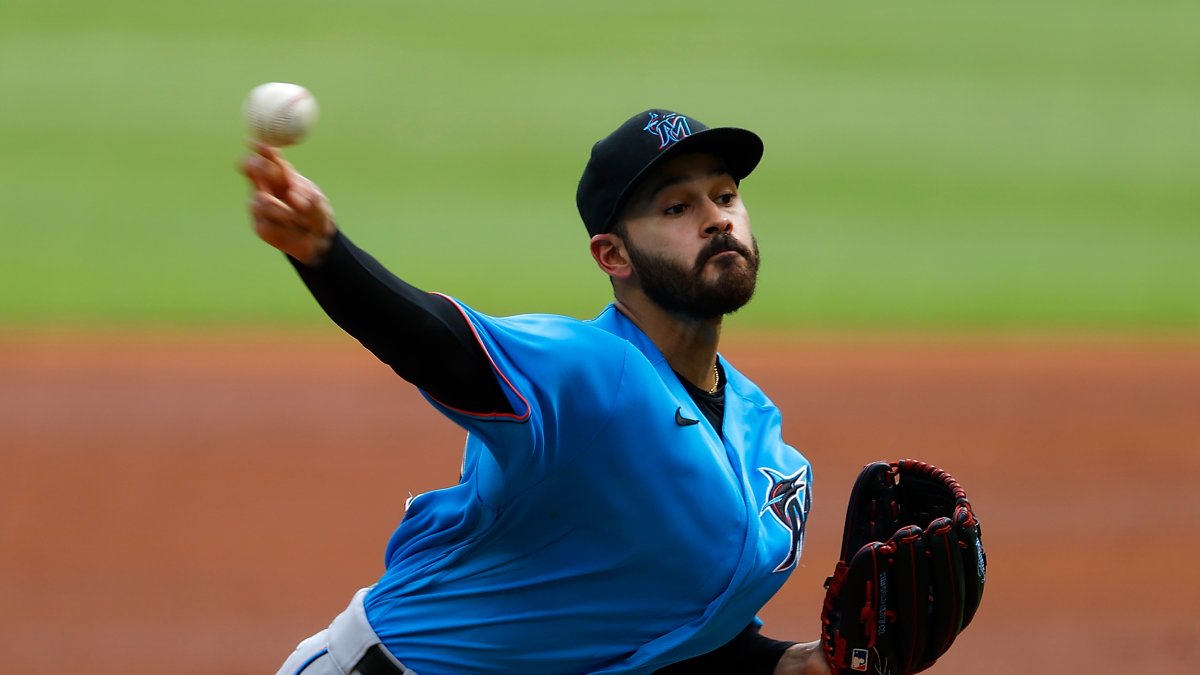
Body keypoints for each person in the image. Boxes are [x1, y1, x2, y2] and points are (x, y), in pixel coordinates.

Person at [241, 109, 832, 675]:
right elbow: (438, 343)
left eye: (725, 196)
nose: (717, 219)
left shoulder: (764, 444)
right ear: (613, 255)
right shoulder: (591, 371)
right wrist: (326, 255)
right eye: (677, 206)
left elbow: (671, 637)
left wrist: (797, 663)